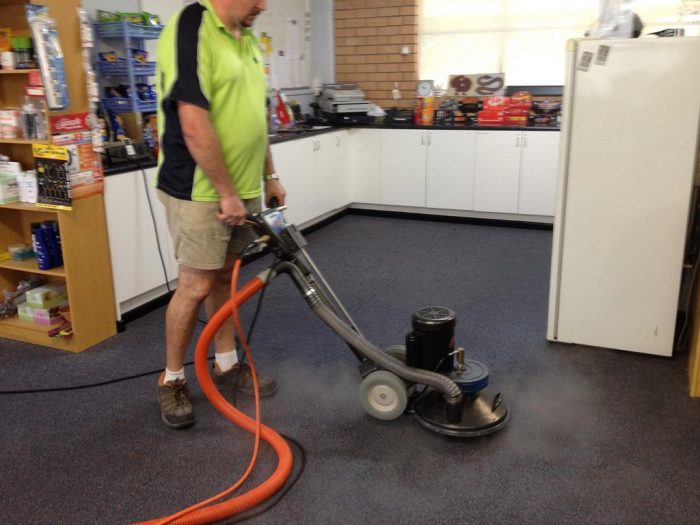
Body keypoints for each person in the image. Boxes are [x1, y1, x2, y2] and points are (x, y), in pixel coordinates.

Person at [154, 0, 286, 429]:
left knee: (225, 279)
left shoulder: (247, 39)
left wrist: (269, 174)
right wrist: (226, 193)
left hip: (241, 190)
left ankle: (226, 364)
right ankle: (171, 379)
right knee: (194, 286)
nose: (263, 6)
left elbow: (254, 116)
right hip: (199, 189)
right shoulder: (193, 25)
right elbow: (192, 121)